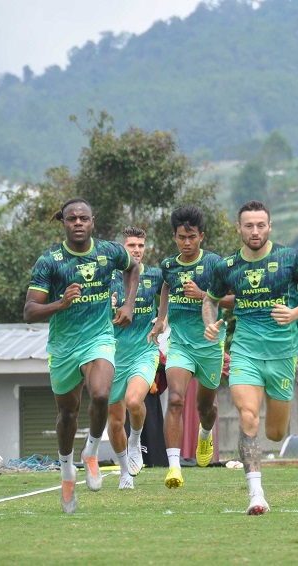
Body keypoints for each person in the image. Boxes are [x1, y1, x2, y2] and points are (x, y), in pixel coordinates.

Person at [203, 200, 298, 515]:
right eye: (249, 225)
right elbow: (210, 299)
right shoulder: (227, 266)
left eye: (260, 225)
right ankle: (256, 494)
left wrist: (295, 312)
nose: (254, 231)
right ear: (239, 228)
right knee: (247, 416)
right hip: (245, 349)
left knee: (274, 431)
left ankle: (269, 442)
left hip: (283, 354)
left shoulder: (290, 258)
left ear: (269, 227)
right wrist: (210, 325)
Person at [23, 198, 138, 513]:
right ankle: (66, 470)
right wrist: (59, 304)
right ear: (63, 222)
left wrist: (128, 304)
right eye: (71, 218)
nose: (77, 223)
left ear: (92, 220)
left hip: (98, 338)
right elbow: (30, 311)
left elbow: (134, 266)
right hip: (63, 347)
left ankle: (91, 451)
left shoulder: (108, 251)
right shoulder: (50, 261)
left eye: (83, 218)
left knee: (101, 395)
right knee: (68, 415)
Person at [148, 205, 233, 489]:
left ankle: (205, 435)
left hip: (209, 345)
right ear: (174, 237)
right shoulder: (169, 266)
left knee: (205, 407)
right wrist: (161, 321)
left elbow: (233, 296)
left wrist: (204, 295)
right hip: (180, 345)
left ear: (201, 237)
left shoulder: (215, 265)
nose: (187, 242)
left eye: (192, 237)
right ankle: (174, 468)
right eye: (182, 237)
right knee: (175, 399)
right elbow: (165, 289)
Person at [107, 226, 164, 489]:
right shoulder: (108, 277)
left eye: (140, 245)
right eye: (131, 246)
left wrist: (162, 320)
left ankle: (136, 439)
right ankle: (123, 473)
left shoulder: (154, 275)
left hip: (144, 351)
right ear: (122, 248)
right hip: (112, 357)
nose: (137, 250)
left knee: (133, 400)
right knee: (115, 421)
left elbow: (171, 295)